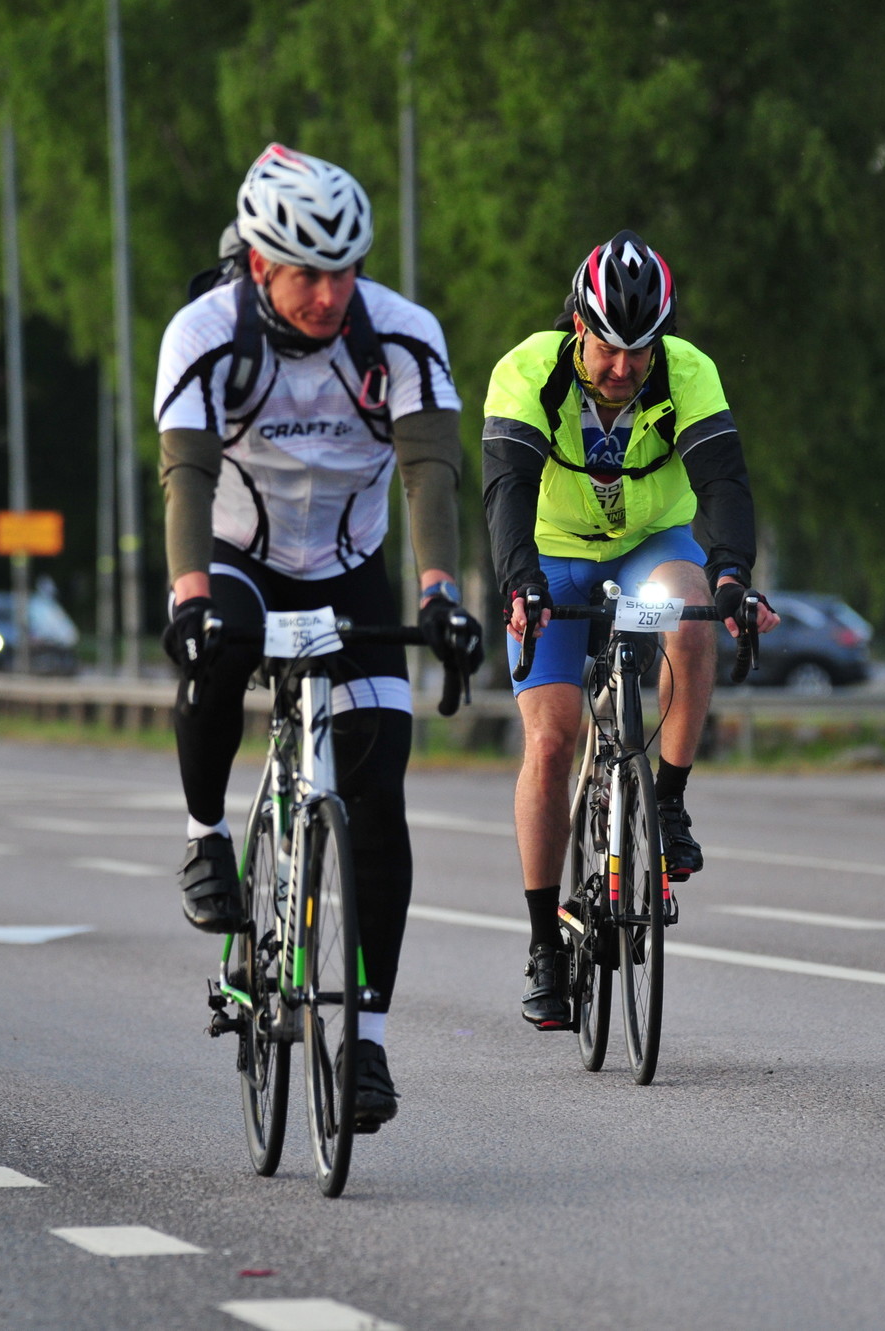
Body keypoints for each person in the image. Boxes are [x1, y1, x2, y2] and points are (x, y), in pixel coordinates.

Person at [153, 144, 482, 1129]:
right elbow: (186, 475)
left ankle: (366, 1040)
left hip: (348, 563)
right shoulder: (206, 333)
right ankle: (206, 837)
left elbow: (428, 471)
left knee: (380, 786)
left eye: (346, 270)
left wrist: (440, 594)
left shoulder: (402, 334)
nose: (330, 293)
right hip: (239, 553)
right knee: (217, 651)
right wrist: (189, 599)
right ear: (259, 264)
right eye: (306, 273)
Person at [482, 230, 780, 1030]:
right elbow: (506, 489)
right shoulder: (527, 370)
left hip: (651, 541)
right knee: (551, 741)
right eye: (607, 347)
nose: (621, 367)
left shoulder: (689, 372)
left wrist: (733, 577)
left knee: (692, 609)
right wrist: (519, 582)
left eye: (639, 350)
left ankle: (669, 802)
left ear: (662, 340)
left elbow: (724, 483)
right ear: (578, 326)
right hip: (551, 552)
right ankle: (544, 944)